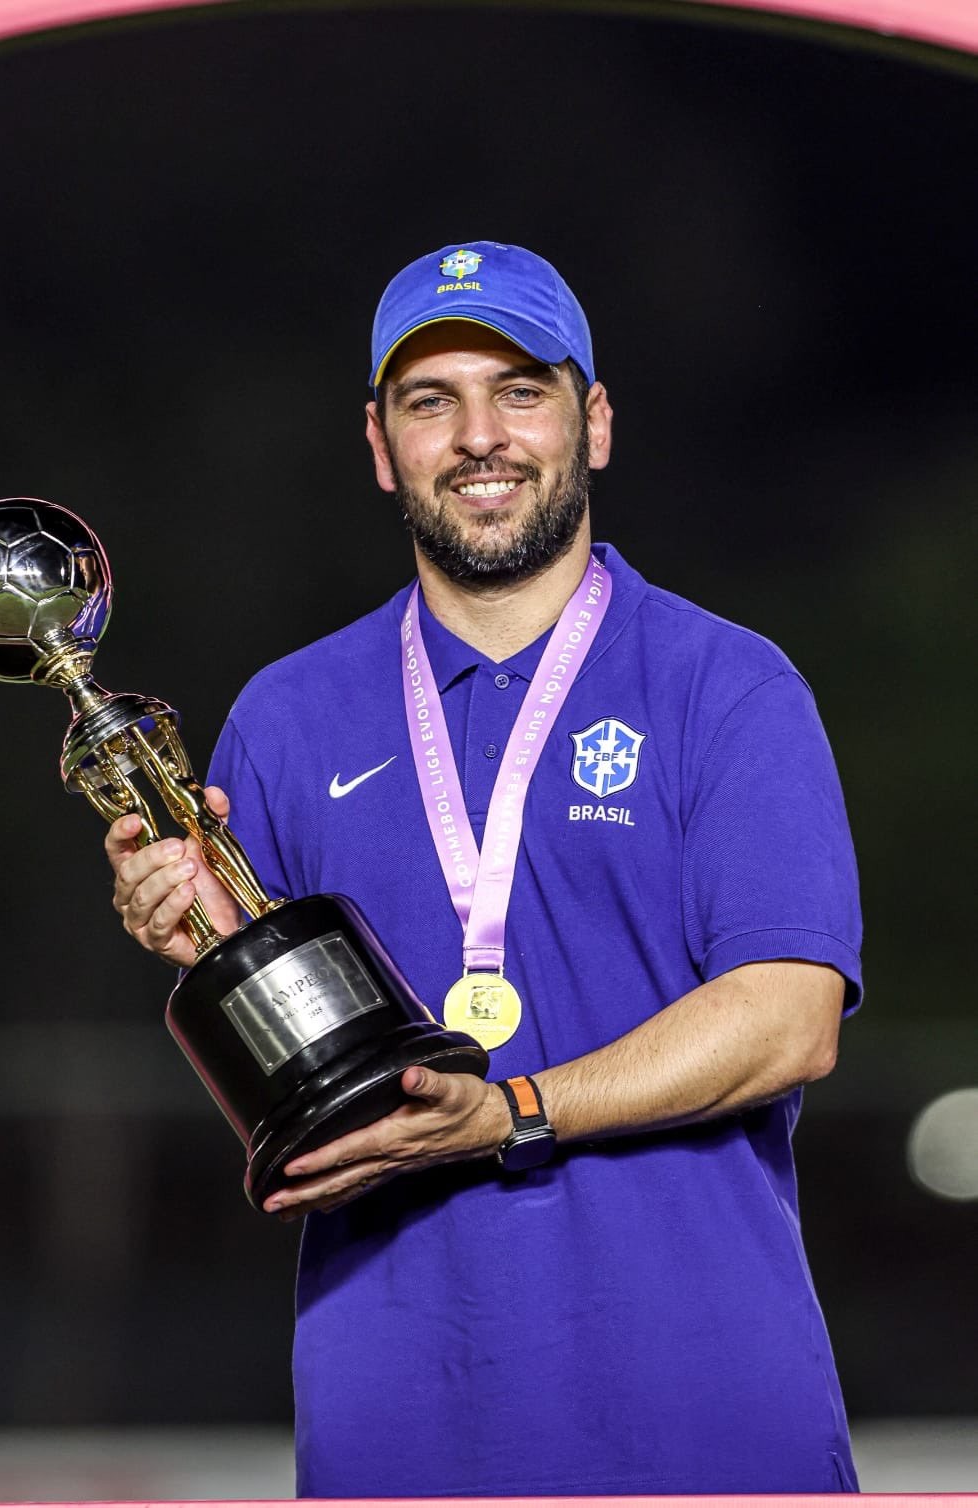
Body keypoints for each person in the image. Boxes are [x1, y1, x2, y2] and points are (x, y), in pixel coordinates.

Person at [106, 241, 862, 1497]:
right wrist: (205, 945)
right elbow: (299, 1116)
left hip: (709, 1417)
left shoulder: (725, 686)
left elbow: (789, 1021)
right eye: (429, 400)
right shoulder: (288, 718)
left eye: (519, 389)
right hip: (398, 1420)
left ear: (593, 421)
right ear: (377, 444)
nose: (478, 436)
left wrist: (510, 1110)